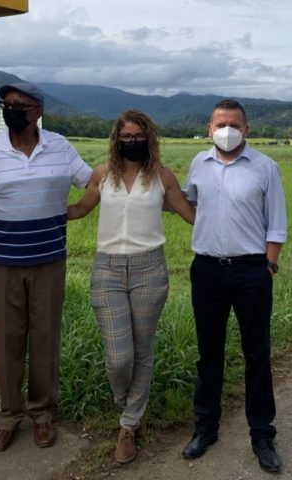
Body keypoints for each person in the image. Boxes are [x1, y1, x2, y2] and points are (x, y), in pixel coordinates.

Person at [0, 83, 93, 452]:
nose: (11, 109)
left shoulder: (60, 146)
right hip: (2, 264)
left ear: (38, 111)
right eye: (6, 104)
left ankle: (42, 413)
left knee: (45, 339)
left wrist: (80, 209)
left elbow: (92, 180)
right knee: (6, 340)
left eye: (20, 105)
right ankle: (8, 415)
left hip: (50, 262)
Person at [66, 110, 195, 464]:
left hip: (149, 268)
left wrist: (237, 230)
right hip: (107, 269)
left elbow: (189, 213)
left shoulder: (162, 177)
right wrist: (42, 210)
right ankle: (127, 404)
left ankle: (128, 424)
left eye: (138, 136)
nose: (132, 141)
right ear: (116, 140)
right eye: (126, 137)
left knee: (143, 348)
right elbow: (79, 209)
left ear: (149, 139)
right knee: (120, 357)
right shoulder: (102, 175)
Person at [180, 99, 287, 473]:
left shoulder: (265, 168)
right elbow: (188, 203)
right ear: (209, 128)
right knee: (209, 352)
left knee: (257, 353)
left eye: (234, 124)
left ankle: (262, 433)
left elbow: (276, 223)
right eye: (220, 123)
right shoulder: (198, 164)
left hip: (252, 271)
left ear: (247, 129)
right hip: (207, 269)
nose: (227, 130)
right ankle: (205, 427)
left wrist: (269, 265)